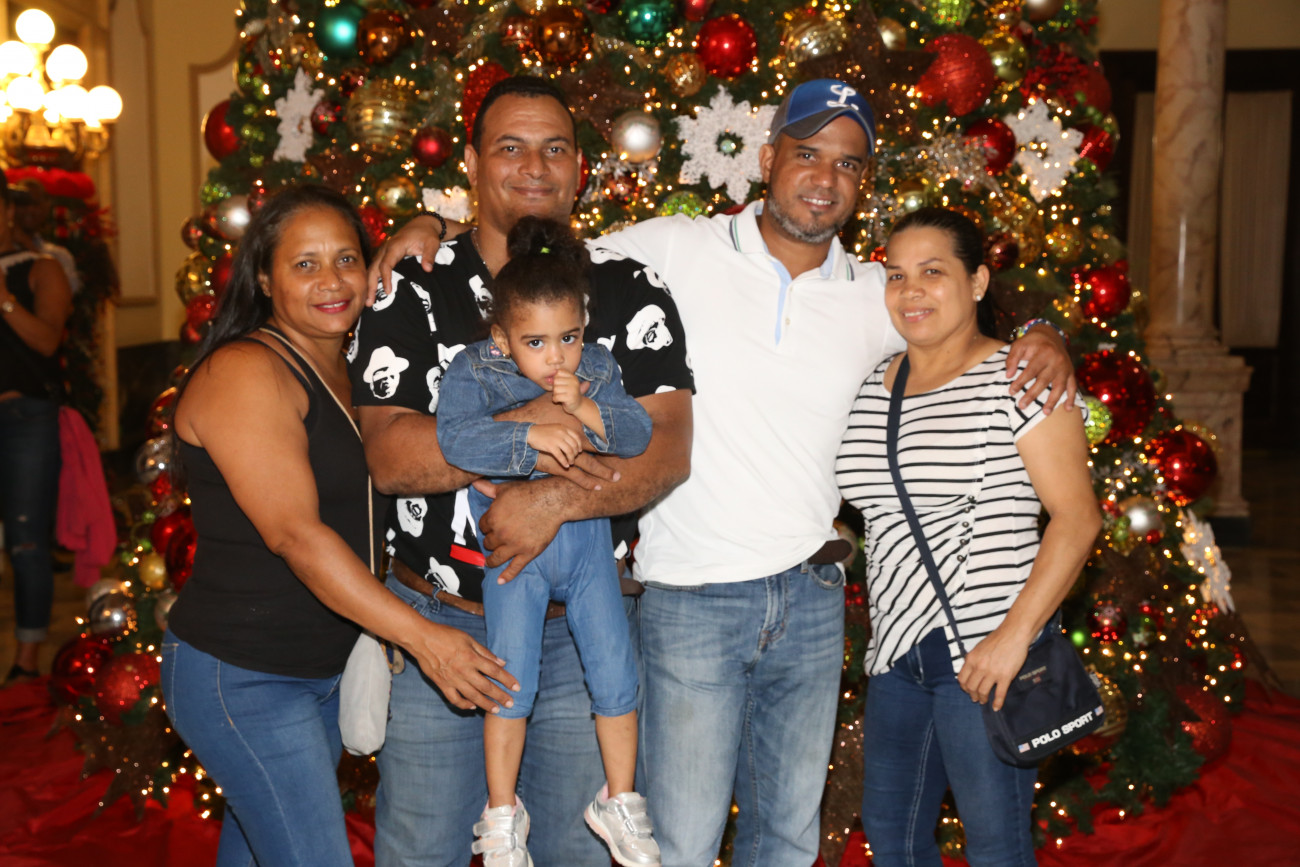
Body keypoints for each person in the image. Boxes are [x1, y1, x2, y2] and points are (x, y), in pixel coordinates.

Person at [371, 78, 1075, 866]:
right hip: (664, 602)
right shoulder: (673, 248)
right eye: (806, 153)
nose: (824, 176)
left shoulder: (873, 293)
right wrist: (432, 227)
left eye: (848, 163)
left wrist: (1042, 333)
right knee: (667, 842)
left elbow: (954, 314)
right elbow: (534, 234)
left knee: (780, 839)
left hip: (798, 598)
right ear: (766, 159)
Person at [350, 76, 693, 867]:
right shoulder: (415, 284)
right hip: (439, 626)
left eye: (555, 148)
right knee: (421, 852)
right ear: (472, 165)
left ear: (580, 169)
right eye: (510, 147)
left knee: (578, 853)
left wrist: (551, 502)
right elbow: (392, 458)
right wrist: (535, 425)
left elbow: (666, 449)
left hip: (578, 629)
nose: (534, 166)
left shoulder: (627, 288)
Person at [159, 184, 516, 867]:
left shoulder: (353, 364)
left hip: (318, 669)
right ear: (265, 279)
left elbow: (494, 228)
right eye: (305, 264)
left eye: (347, 259)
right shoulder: (246, 370)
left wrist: (426, 223)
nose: (332, 281)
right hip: (245, 677)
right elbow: (295, 535)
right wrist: (425, 640)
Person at [835, 207, 1101, 866]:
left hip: (984, 656)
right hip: (895, 655)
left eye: (933, 272)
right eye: (897, 275)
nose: (911, 290)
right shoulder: (872, 383)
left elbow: (1078, 518)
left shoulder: (1022, 379)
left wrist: (1014, 638)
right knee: (892, 839)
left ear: (978, 281)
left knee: (995, 846)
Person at [437, 216, 660, 867]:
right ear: (501, 338)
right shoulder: (475, 369)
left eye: (569, 337)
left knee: (617, 675)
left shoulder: (595, 368)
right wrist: (529, 435)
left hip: (588, 550)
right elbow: (454, 438)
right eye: (535, 342)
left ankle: (619, 798)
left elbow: (636, 433)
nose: (556, 357)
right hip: (516, 558)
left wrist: (586, 408)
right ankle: (503, 813)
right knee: (512, 684)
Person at [0, 172, 73, 684]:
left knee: (26, 541)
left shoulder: (41, 268)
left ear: (8, 213)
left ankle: (26, 661)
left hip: (25, 419)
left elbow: (47, 341)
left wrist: (3, 299)